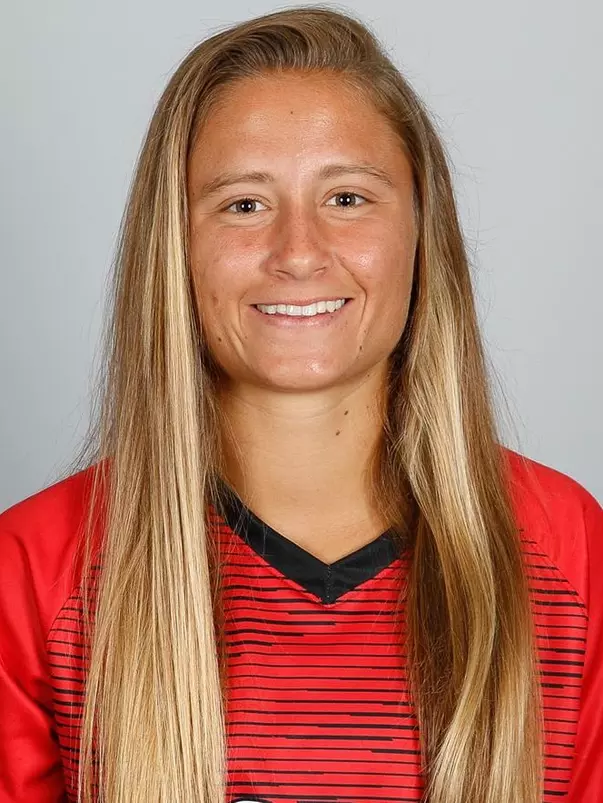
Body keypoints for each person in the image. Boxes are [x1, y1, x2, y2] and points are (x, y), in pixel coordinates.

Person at [0, 5, 601, 803]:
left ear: (423, 233)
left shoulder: (565, 547)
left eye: (347, 198)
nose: (298, 252)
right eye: (243, 204)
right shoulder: (38, 567)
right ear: (174, 244)